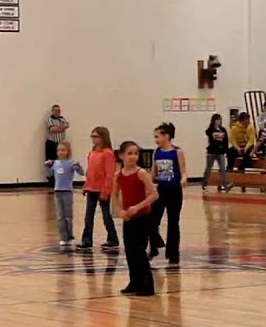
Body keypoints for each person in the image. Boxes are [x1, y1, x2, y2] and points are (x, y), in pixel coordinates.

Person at [111, 140, 158, 297]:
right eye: (130, 153)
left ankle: (147, 285)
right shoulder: (118, 175)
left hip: (143, 217)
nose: (133, 156)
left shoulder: (141, 173)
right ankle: (134, 282)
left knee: (139, 251)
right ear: (121, 156)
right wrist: (120, 211)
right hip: (129, 218)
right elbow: (115, 196)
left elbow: (154, 195)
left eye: (136, 153)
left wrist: (137, 207)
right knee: (130, 251)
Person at [148, 122, 187, 265]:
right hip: (159, 191)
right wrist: (149, 184)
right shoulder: (156, 152)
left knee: (173, 222)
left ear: (167, 136)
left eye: (157, 136)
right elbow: (153, 172)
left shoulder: (177, 152)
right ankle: (154, 248)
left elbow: (183, 171)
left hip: (174, 191)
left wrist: (183, 179)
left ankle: (173, 254)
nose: (156, 140)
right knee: (152, 221)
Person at [79, 126, 119, 251]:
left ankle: (112, 239)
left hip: (102, 190)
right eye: (92, 136)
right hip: (91, 189)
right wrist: (86, 186)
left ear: (103, 138)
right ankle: (86, 241)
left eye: (96, 136)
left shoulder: (107, 153)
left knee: (106, 216)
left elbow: (110, 174)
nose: (93, 139)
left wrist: (106, 190)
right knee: (88, 216)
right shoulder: (92, 153)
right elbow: (90, 173)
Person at [46, 141, 84, 248]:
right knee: (60, 216)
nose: (60, 152)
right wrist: (47, 166)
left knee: (68, 216)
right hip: (58, 191)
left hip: (67, 192)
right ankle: (63, 237)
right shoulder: (56, 163)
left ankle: (70, 236)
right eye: (59, 150)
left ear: (68, 151)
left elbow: (81, 172)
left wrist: (78, 166)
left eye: (63, 150)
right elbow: (49, 175)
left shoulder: (70, 163)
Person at [203, 113, 230, 192]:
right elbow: (207, 132)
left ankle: (225, 185)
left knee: (222, 169)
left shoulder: (223, 129)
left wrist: (226, 150)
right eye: (217, 120)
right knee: (208, 168)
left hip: (220, 152)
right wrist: (214, 129)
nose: (219, 121)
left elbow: (226, 141)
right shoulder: (211, 129)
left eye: (220, 120)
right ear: (214, 121)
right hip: (212, 152)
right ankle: (204, 184)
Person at [229, 111, 258, 176]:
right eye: (247, 120)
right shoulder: (234, 128)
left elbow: (251, 140)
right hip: (238, 146)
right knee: (230, 152)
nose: (248, 122)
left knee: (250, 154)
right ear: (242, 121)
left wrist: (246, 148)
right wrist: (238, 148)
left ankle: (241, 168)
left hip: (247, 146)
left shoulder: (250, 127)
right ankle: (229, 169)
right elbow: (232, 140)